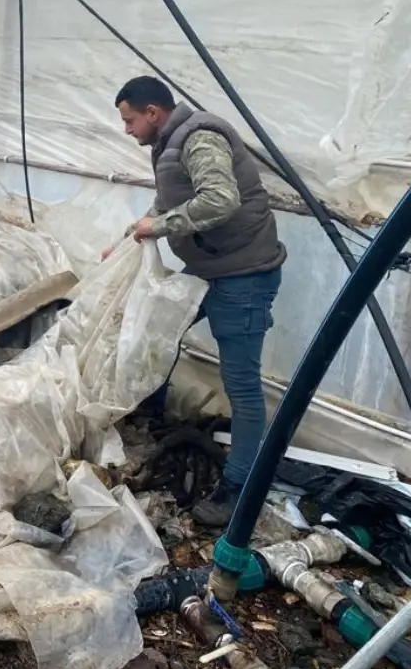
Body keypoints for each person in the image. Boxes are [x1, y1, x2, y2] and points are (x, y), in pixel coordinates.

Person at [110, 75, 286, 526]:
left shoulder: (200, 138)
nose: (127, 129)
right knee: (159, 328)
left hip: (242, 276)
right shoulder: (169, 144)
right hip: (212, 269)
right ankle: (149, 415)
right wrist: (130, 236)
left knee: (242, 386)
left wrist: (163, 225)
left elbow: (220, 199)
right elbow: (167, 198)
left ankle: (238, 488)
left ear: (153, 113)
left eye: (130, 120)